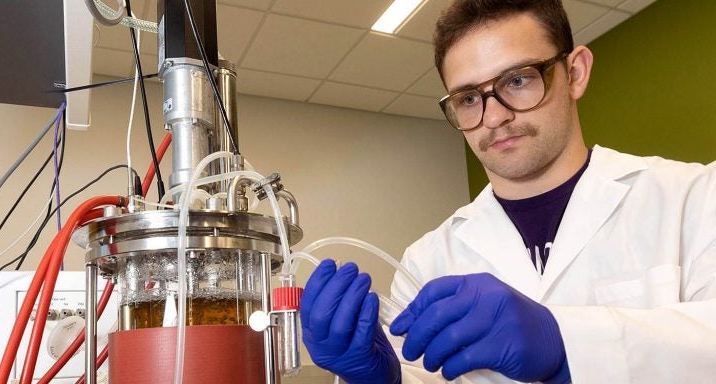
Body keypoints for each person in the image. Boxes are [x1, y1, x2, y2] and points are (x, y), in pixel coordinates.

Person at [299, 0, 716, 383]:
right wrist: (381, 380)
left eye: (517, 80)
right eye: (467, 98)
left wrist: (565, 343)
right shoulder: (428, 261)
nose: (494, 116)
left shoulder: (695, 199)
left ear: (575, 73)